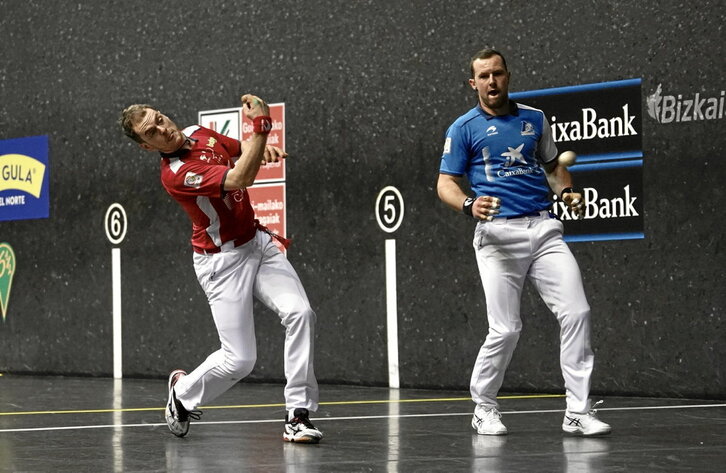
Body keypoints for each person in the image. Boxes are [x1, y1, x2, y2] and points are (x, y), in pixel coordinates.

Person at [119, 94, 323, 443]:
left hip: (257, 243)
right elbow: (240, 179)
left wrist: (259, 148)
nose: (162, 129)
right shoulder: (177, 174)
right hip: (221, 263)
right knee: (240, 360)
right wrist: (262, 127)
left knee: (301, 313)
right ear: (145, 146)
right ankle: (182, 395)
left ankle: (297, 415)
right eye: (151, 132)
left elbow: (240, 150)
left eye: (160, 118)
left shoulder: (199, 132)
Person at [437, 49, 611, 437]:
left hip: (544, 229)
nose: (492, 82)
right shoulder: (463, 128)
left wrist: (568, 194)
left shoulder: (534, 119)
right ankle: (483, 407)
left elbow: (553, 167)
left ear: (508, 76)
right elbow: (445, 184)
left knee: (577, 312)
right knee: (506, 329)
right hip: (497, 236)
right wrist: (469, 204)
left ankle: (577, 412)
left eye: (497, 74)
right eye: (483, 76)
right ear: (473, 83)